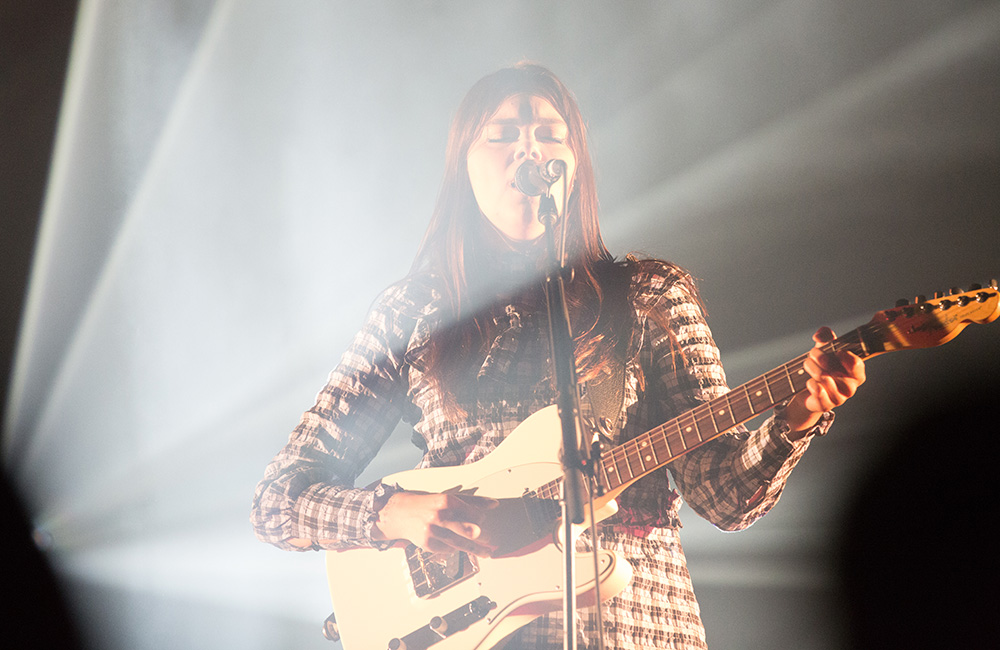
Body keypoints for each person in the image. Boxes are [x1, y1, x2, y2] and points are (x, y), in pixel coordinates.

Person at [250, 63, 865, 649]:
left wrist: (799, 415)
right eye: (502, 135)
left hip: (634, 628)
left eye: (550, 134)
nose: (530, 150)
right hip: (465, 628)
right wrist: (391, 512)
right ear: (463, 166)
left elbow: (723, 499)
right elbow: (277, 501)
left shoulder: (650, 297)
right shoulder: (414, 310)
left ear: (576, 166)